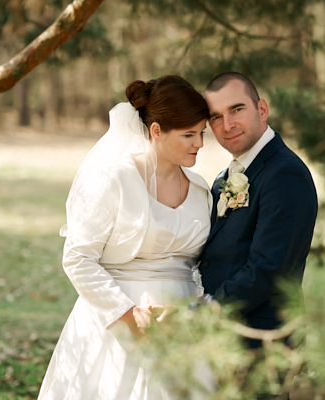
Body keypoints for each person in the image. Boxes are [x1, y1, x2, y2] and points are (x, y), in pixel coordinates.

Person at [38, 75, 215, 400]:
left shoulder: (202, 190)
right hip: (115, 322)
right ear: (157, 131)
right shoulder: (113, 182)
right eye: (189, 134)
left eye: (201, 133)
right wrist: (129, 313)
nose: (199, 144)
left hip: (182, 326)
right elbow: (77, 257)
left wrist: (195, 308)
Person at [199, 72, 318, 349]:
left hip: (260, 341)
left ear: (262, 109)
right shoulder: (226, 176)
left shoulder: (285, 174)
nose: (227, 125)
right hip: (222, 339)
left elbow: (268, 269)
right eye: (216, 117)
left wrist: (210, 307)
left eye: (236, 109)